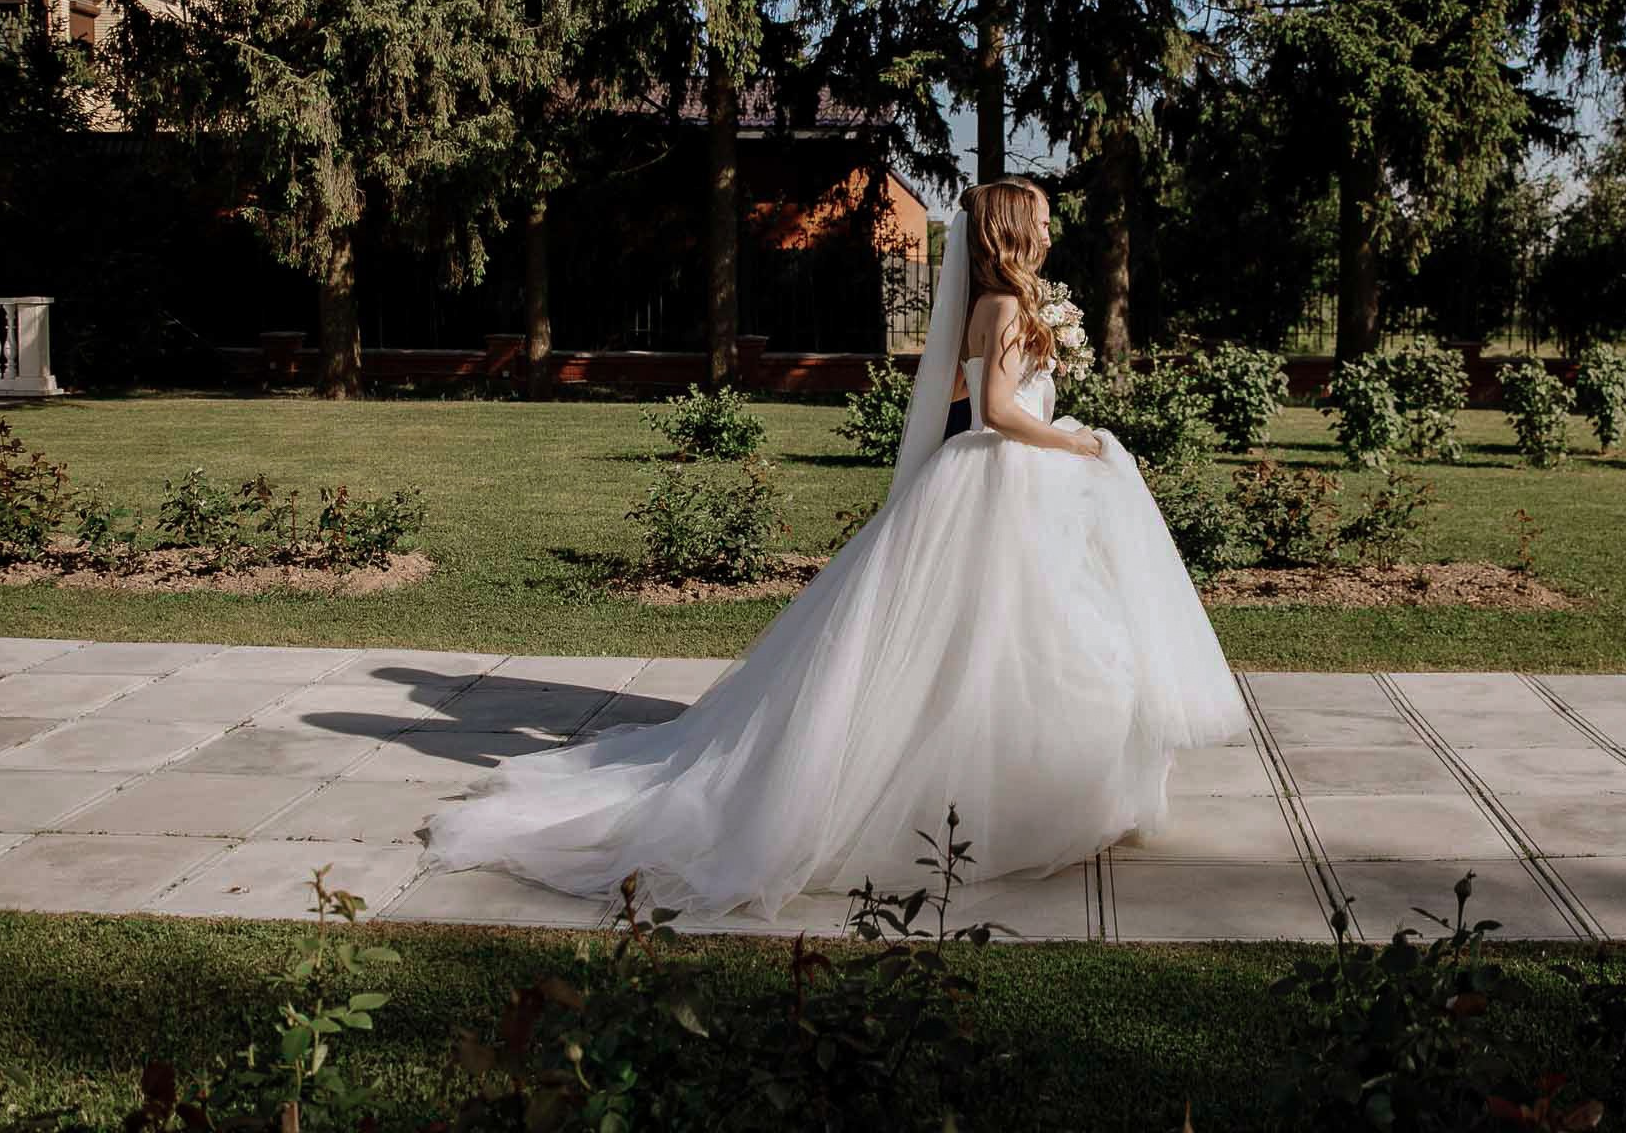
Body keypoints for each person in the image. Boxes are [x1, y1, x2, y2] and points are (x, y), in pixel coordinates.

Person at [417, 177, 1252, 918]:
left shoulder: (1004, 306)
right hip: (1007, 474)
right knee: (1009, 637)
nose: (1048, 227)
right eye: (1037, 216)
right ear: (1009, 230)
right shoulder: (1000, 308)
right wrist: (1076, 444)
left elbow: (970, 387)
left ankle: (1050, 785)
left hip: (1011, 481)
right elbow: (994, 409)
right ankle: (999, 796)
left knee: (1031, 638)